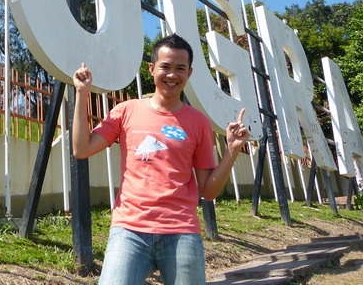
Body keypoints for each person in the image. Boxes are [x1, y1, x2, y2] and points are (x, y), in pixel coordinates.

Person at [72, 33, 250, 285]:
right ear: (152, 68)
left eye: (180, 68)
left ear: (189, 72)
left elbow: (208, 191)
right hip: (129, 230)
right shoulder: (126, 110)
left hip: (182, 231)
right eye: (165, 67)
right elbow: (81, 149)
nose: (172, 75)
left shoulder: (198, 122)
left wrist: (231, 151)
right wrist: (82, 93)